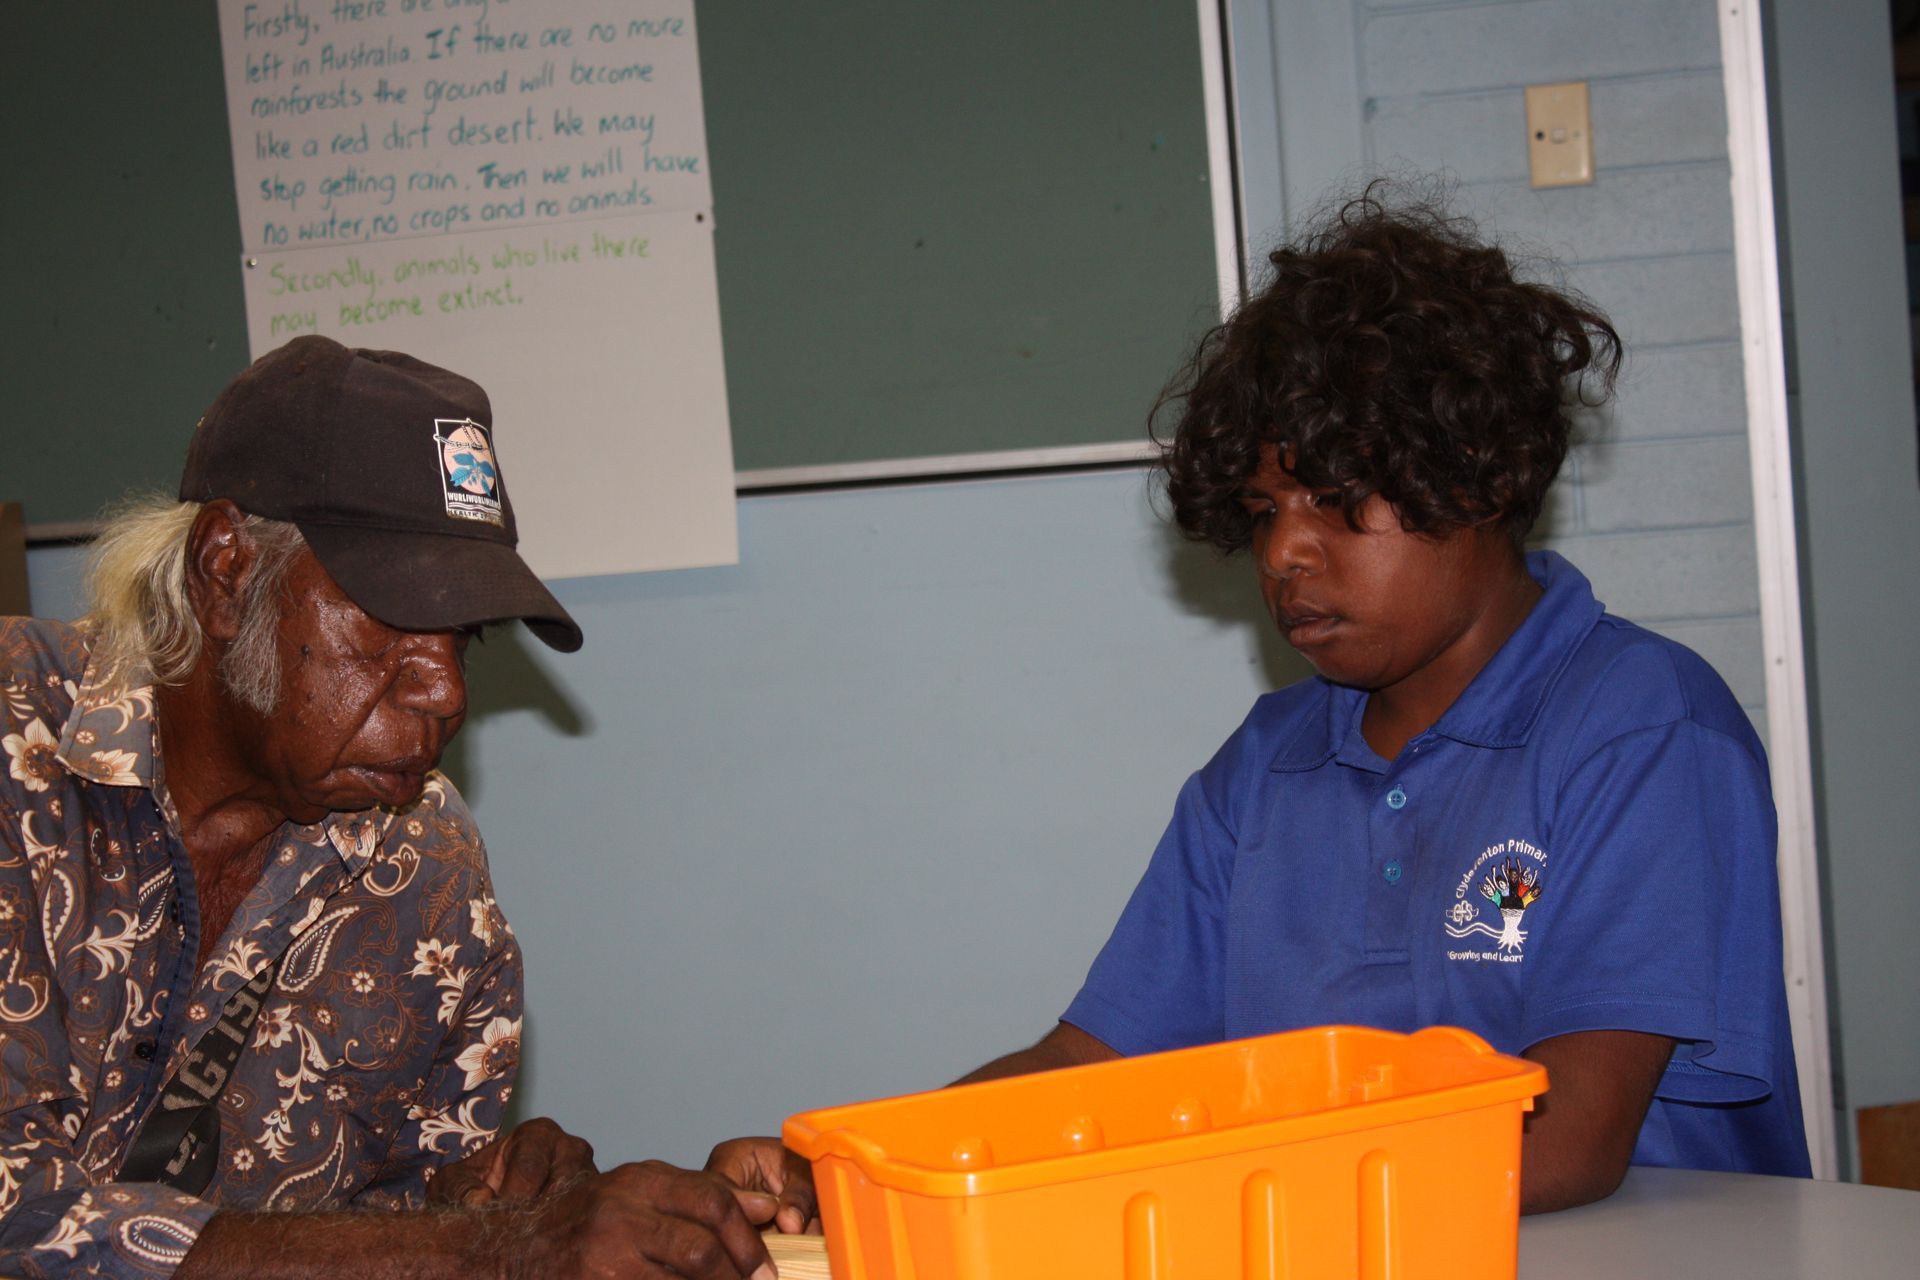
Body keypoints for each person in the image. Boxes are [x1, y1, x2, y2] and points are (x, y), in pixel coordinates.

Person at [724, 189, 1813, 1215]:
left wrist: (1227, 1186)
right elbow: (1088, 1068)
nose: (1287, 550)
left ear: (1480, 475)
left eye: (1336, 498)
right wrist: (859, 1167)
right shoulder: (1263, 768)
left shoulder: (1643, 727)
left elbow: (1565, 1138)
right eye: (1263, 509)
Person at [0, 337, 812, 1279]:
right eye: (392, 621)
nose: (445, 691)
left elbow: (398, 1210)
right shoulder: (21, 757)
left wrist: (479, 1192)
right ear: (224, 571)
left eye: (462, 637)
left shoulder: (423, 866)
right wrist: (485, 1253)